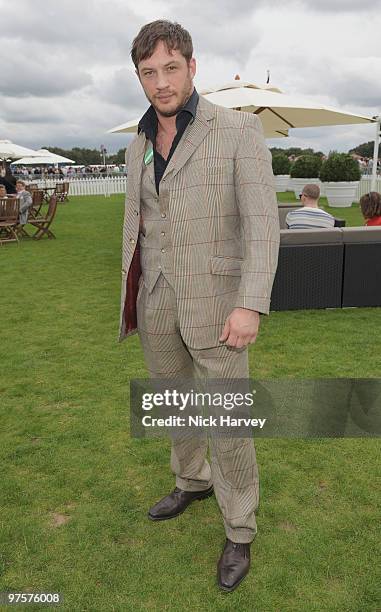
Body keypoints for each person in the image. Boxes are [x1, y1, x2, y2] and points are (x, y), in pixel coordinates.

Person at [119, 20, 279, 592]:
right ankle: (191, 480)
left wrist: (250, 304)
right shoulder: (137, 142)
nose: (160, 83)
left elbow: (263, 226)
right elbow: (142, 222)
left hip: (218, 303)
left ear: (192, 66)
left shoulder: (237, 131)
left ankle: (240, 527)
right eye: (148, 72)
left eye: (170, 68)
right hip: (157, 298)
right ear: (138, 77)